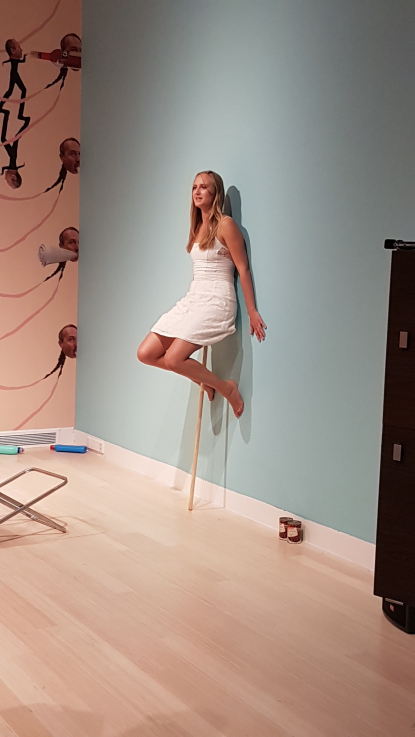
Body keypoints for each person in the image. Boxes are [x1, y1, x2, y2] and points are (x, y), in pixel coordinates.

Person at [137, 170, 266, 418]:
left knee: (174, 359)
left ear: (216, 192)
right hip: (194, 298)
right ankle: (204, 380)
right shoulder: (197, 227)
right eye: (195, 187)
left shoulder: (226, 225)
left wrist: (252, 311)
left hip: (217, 300)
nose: (197, 191)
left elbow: (243, 268)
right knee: (146, 354)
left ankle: (227, 388)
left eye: (204, 187)